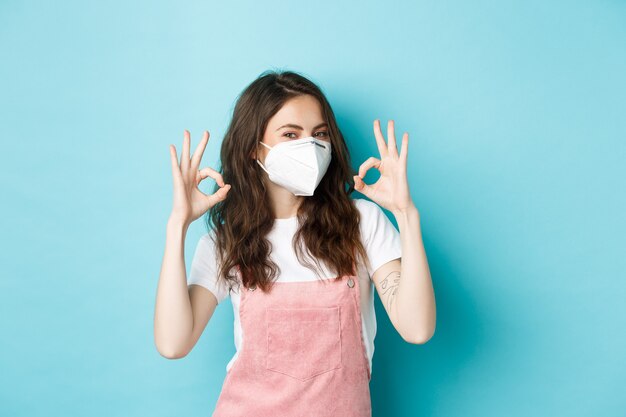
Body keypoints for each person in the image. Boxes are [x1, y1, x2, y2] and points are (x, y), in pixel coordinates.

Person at [154, 70, 436, 417]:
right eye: (291, 134)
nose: (311, 146)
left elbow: (417, 328)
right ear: (253, 148)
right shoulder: (228, 240)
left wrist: (406, 214)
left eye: (319, 134)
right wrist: (176, 225)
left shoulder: (361, 223)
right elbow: (173, 343)